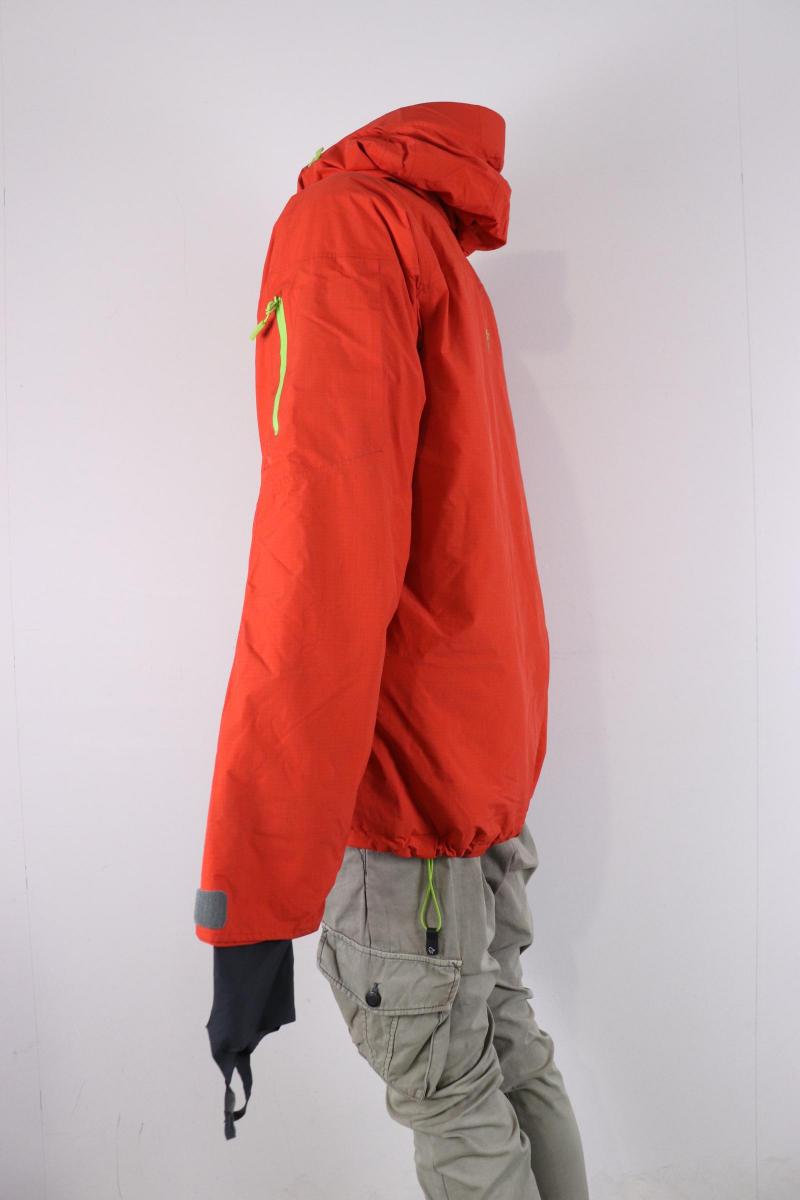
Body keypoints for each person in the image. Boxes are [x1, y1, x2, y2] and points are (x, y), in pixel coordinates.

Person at [194, 99, 590, 1200]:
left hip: (405, 804)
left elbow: (317, 568)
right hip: (474, 782)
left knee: (454, 1100)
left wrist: (251, 896)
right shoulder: (429, 247)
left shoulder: (337, 232)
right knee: (504, 1056)